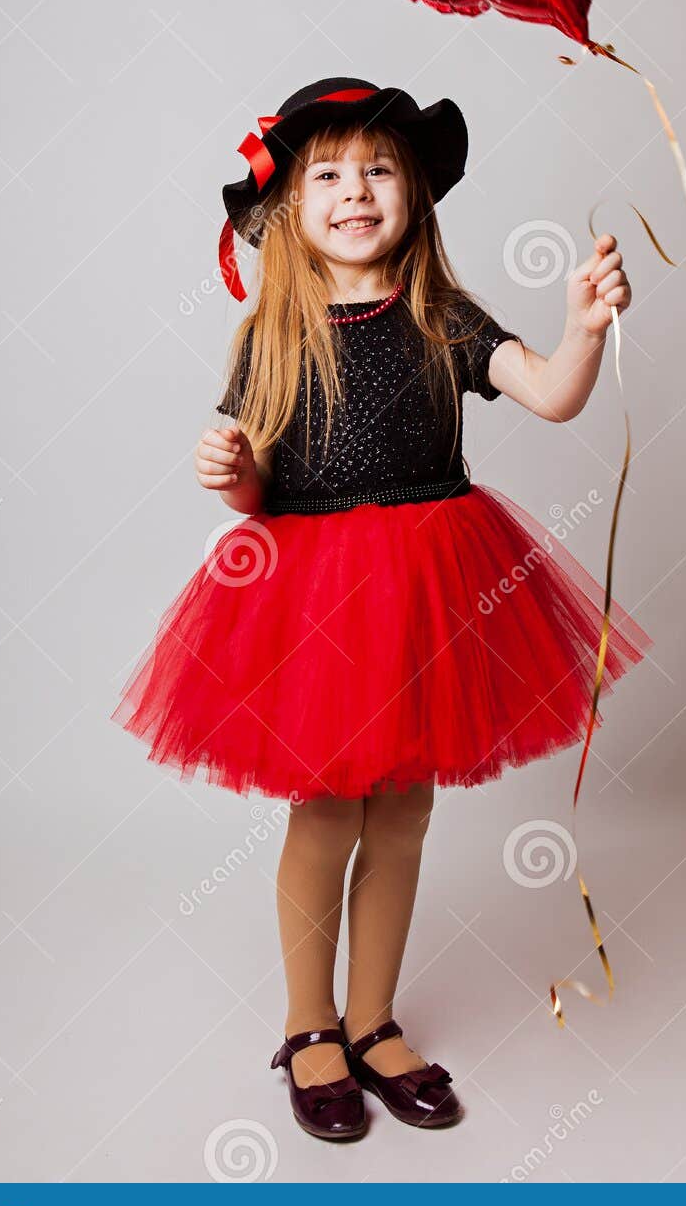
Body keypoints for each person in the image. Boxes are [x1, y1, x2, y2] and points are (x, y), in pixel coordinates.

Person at [111, 77, 652, 1141]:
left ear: (414, 191)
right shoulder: (270, 336)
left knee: (402, 808)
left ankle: (371, 1019)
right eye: (326, 174)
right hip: (311, 601)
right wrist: (226, 470)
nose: (355, 191)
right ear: (287, 209)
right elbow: (258, 485)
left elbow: (548, 393)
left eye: (378, 169)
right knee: (326, 807)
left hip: (435, 582)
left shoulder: (440, 316)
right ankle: (308, 1022)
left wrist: (581, 328)